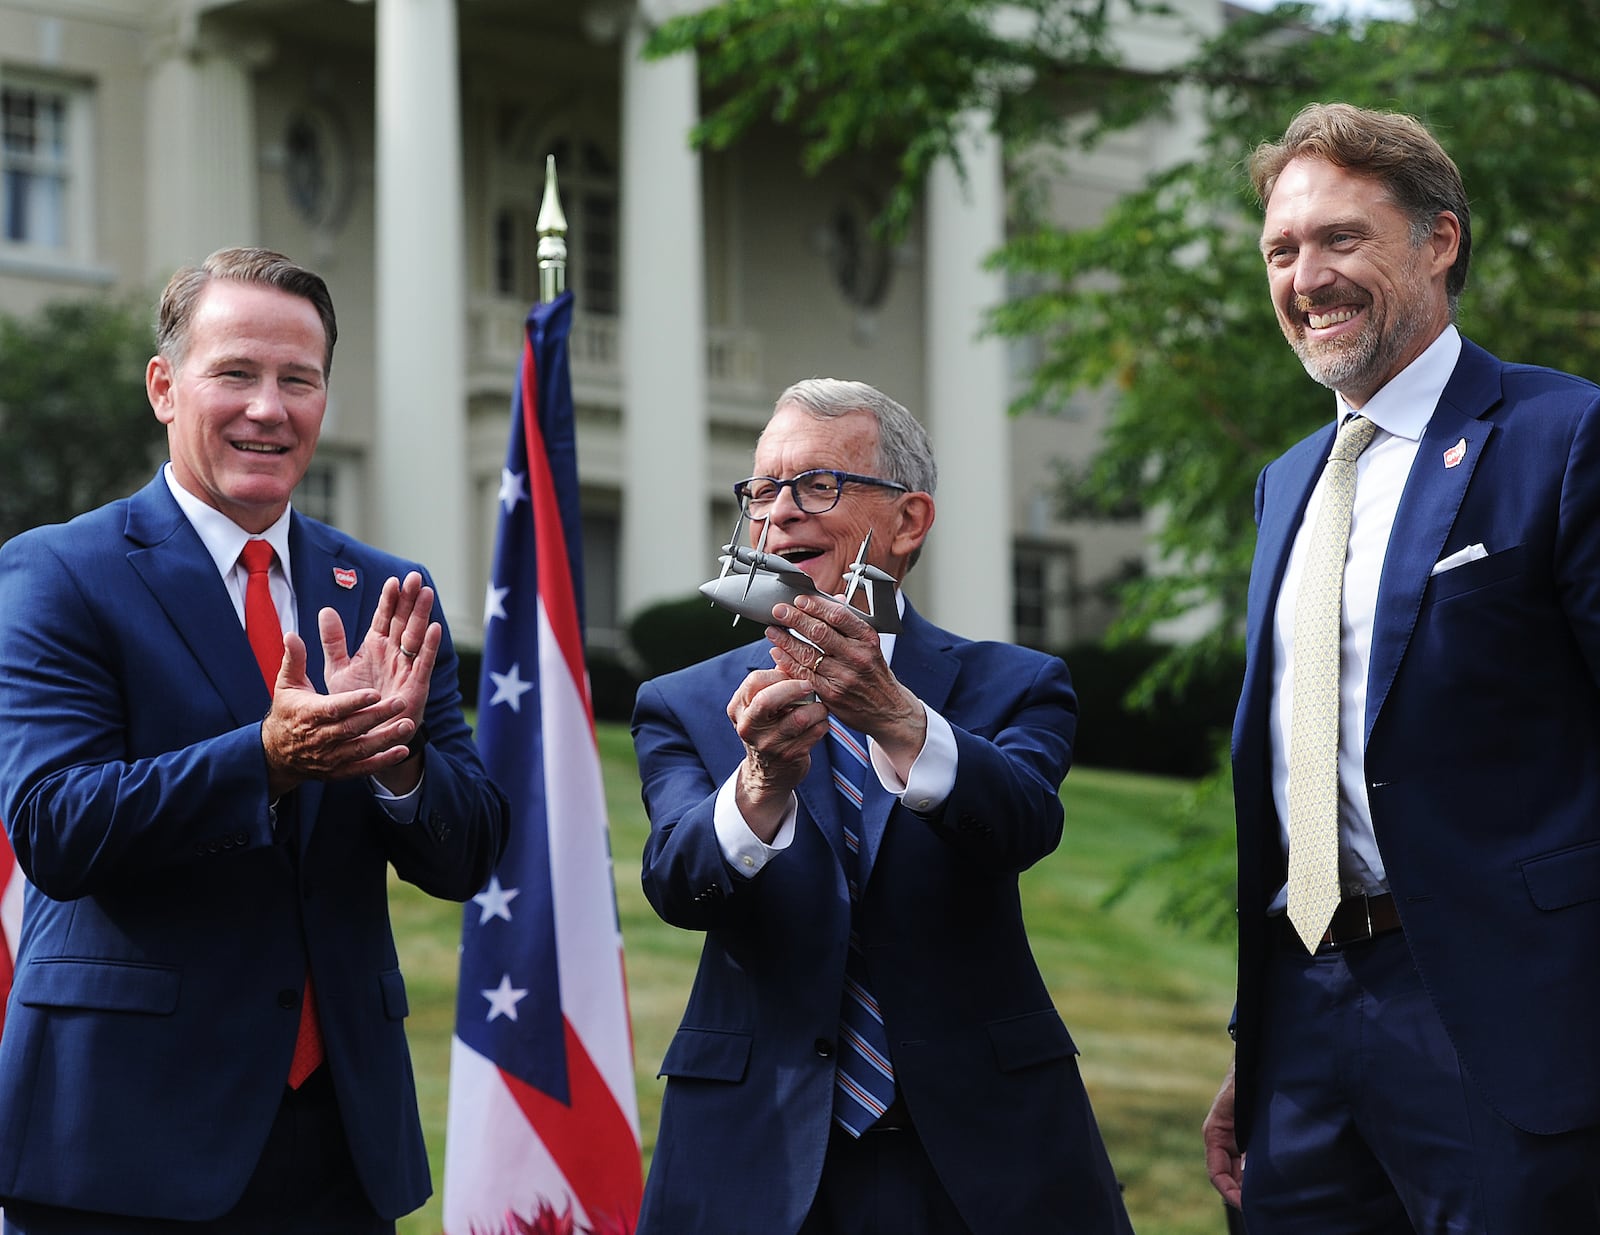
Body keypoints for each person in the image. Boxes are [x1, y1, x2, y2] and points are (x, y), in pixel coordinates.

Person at [0, 247, 509, 1233]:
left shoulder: (386, 592)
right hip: (120, 1142)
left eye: (297, 379)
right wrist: (267, 758)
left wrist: (397, 755)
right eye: (235, 372)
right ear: (165, 385)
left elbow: (470, 850)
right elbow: (55, 827)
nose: (268, 408)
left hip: (337, 1144)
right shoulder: (58, 574)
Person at [1203, 102, 1600, 1232]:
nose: (1305, 276)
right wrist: (1260, 1039)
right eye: (1281, 250)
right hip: (1304, 1015)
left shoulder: (1561, 434)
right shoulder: (1289, 482)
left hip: (1507, 1022)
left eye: (1340, 239)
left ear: (1438, 241)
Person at [632, 378, 1133, 1235]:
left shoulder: (1016, 685)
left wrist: (896, 717)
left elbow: (1021, 824)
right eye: (762, 490)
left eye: (818, 484)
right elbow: (679, 883)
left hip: (985, 1159)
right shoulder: (682, 702)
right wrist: (758, 787)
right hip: (753, 1156)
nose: (780, 512)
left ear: (909, 521)